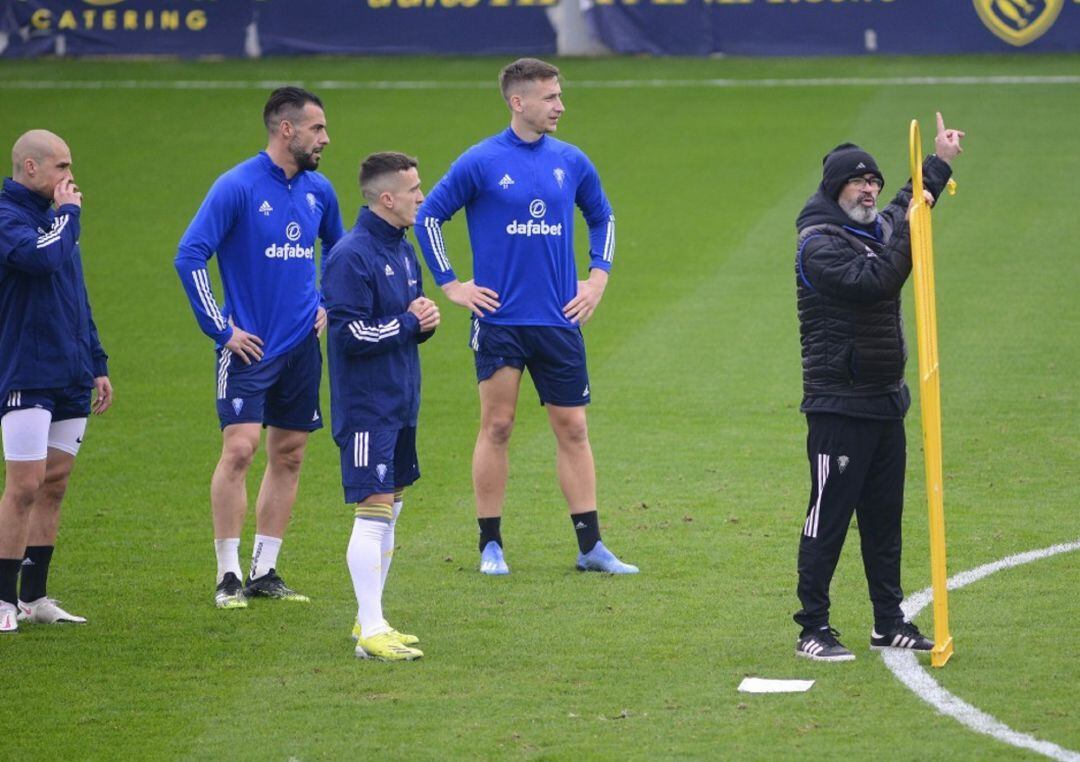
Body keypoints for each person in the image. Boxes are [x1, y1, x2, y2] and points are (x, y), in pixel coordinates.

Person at [414, 58, 637, 576]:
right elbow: (428, 217)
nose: (560, 105)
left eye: (559, 95)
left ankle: (591, 547)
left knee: (573, 428)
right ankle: (490, 544)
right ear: (519, 102)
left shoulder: (572, 160)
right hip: (500, 322)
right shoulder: (480, 161)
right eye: (551, 96)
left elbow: (602, 216)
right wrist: (451, 284)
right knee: (497, 425)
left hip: (560, 319)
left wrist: (597, 278)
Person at [792, 112, 964, 661]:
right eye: (857, 181)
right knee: (829, 519)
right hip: (838, 405)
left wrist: (938, 160)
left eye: (873, 181)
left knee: (885, 522)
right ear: (834, 188)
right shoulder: (818, 245)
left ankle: (888, 622)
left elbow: (906, 203)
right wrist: (916, 226)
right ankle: (812, 628)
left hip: (886, 400)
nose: (869, 190)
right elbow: (876, 281)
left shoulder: (880, 226)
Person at [175, 87, 344, 609]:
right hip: (247, 347)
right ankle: (227, 574)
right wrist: (222, 330)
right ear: (285, 129)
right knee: (241, 448)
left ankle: (264, 570)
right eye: (317, 128)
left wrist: (327, 302)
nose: (326, 138)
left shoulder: (320, 190)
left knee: (289, 454)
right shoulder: (237, 186)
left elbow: (340, 252)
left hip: (301, 348)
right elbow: (190, 255)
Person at [324, 152, 439, 661]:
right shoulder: (351, 256)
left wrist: (423, 323)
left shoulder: (403, 248)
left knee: (390, 509)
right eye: (414, 189)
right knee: (372, 512)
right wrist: (410, 324)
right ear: (387, 198)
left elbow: (397, 325)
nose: (422, 196)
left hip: (399, 401)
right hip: (368, 407)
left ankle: (370, 619)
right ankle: (371, 627)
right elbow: (348, 335)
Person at [0, 129, 113, 633]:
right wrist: (68, 216)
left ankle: (34, 596)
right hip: (27, 371)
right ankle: (3, 600)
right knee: (23, 485)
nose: (71, 177)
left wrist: (97, 361)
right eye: (62, 167)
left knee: (55, 484)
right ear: (31, 168)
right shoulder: (9, 218)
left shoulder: (56, 221)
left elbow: (76, 294)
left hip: (69, 372)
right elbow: (40, 260)